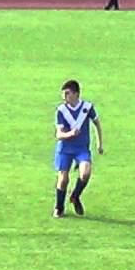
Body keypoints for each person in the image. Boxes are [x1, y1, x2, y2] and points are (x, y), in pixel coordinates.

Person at [53, 79, 104, 218]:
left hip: (81, 149)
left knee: (86, 173)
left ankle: (75, 196)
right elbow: (58, 134)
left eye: (67, 93)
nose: (64, 96)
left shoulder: (87, 108)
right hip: (65, 149)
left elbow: (97, 124)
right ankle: (59, 207)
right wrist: (70, 134)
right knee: (63, 179)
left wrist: (99, 144)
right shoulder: (61, 110)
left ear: (76, 94)